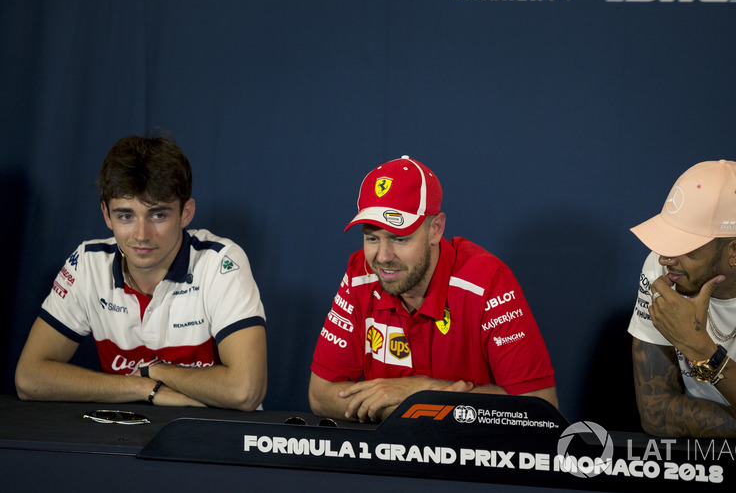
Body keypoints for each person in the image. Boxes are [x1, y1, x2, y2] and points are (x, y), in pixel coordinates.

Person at [15, 133, 267, 411]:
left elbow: (246, 391)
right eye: (126, 216)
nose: (142, 234)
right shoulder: (87, 263)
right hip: (124, 438)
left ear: (186, 213)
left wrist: (154, 371)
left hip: (214, 439)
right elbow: (29, 378)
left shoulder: (221, 262)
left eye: (158, 215)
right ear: (106, 215)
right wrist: (143, 387)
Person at [309, 156, 557, 422]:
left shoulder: (487, 281)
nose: (382, 257)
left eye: (399, 238)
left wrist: (425, 391)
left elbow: (541, 408)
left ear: (436, 230)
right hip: (388, 458)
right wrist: (425, 404)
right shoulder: (360, 272)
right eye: (372, 238)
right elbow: (320, 395)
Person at [629, 159, 736, 443]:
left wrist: (703, 351)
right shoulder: (661, 272)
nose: (663, 258)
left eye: (682, 246)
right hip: (699, 461)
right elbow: (655, 412)